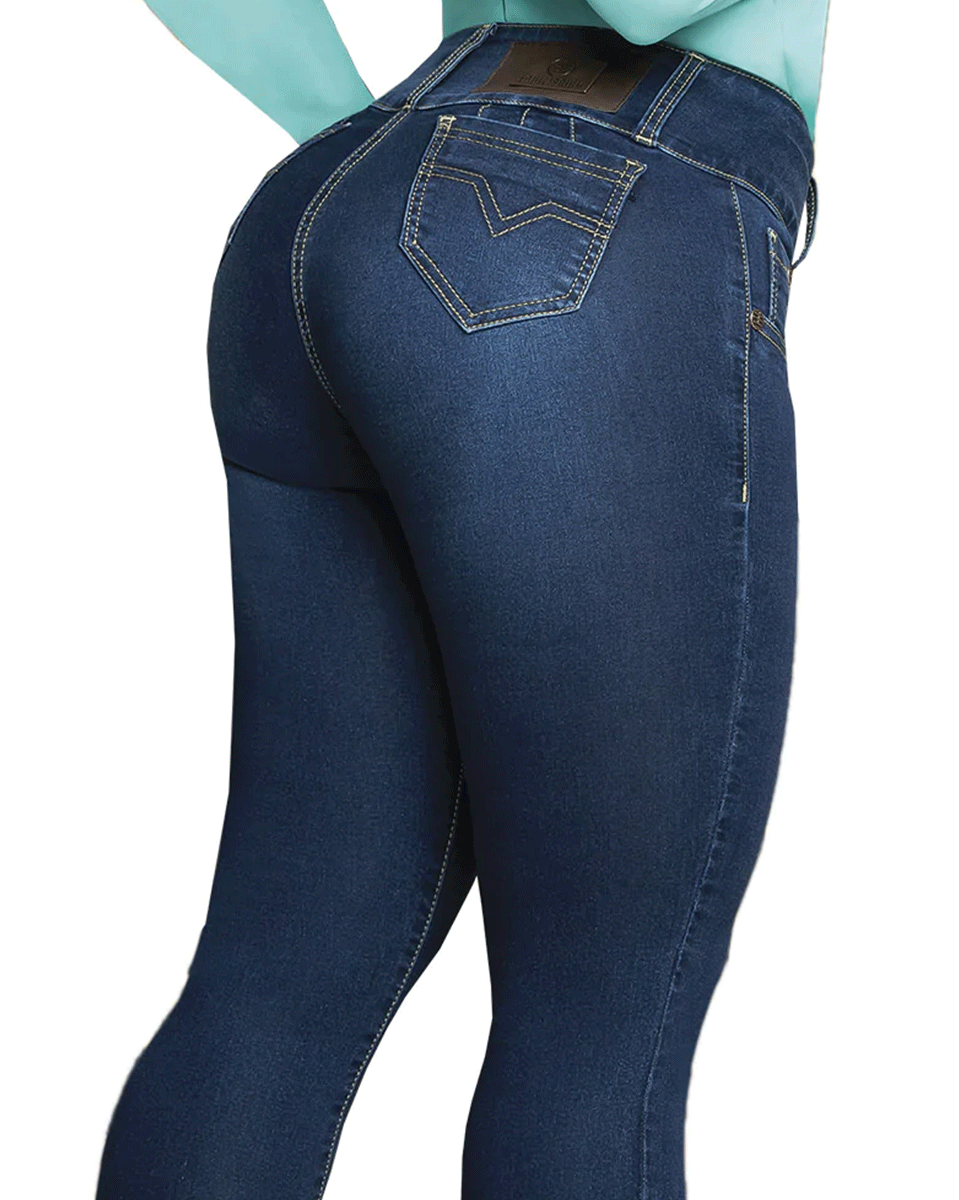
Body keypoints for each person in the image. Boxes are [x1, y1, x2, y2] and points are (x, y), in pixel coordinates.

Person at [95, 5, 830, 1198]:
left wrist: (350, 132)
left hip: (350, 196)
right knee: (599, 1024)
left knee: (281, 977)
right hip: (567, 227)